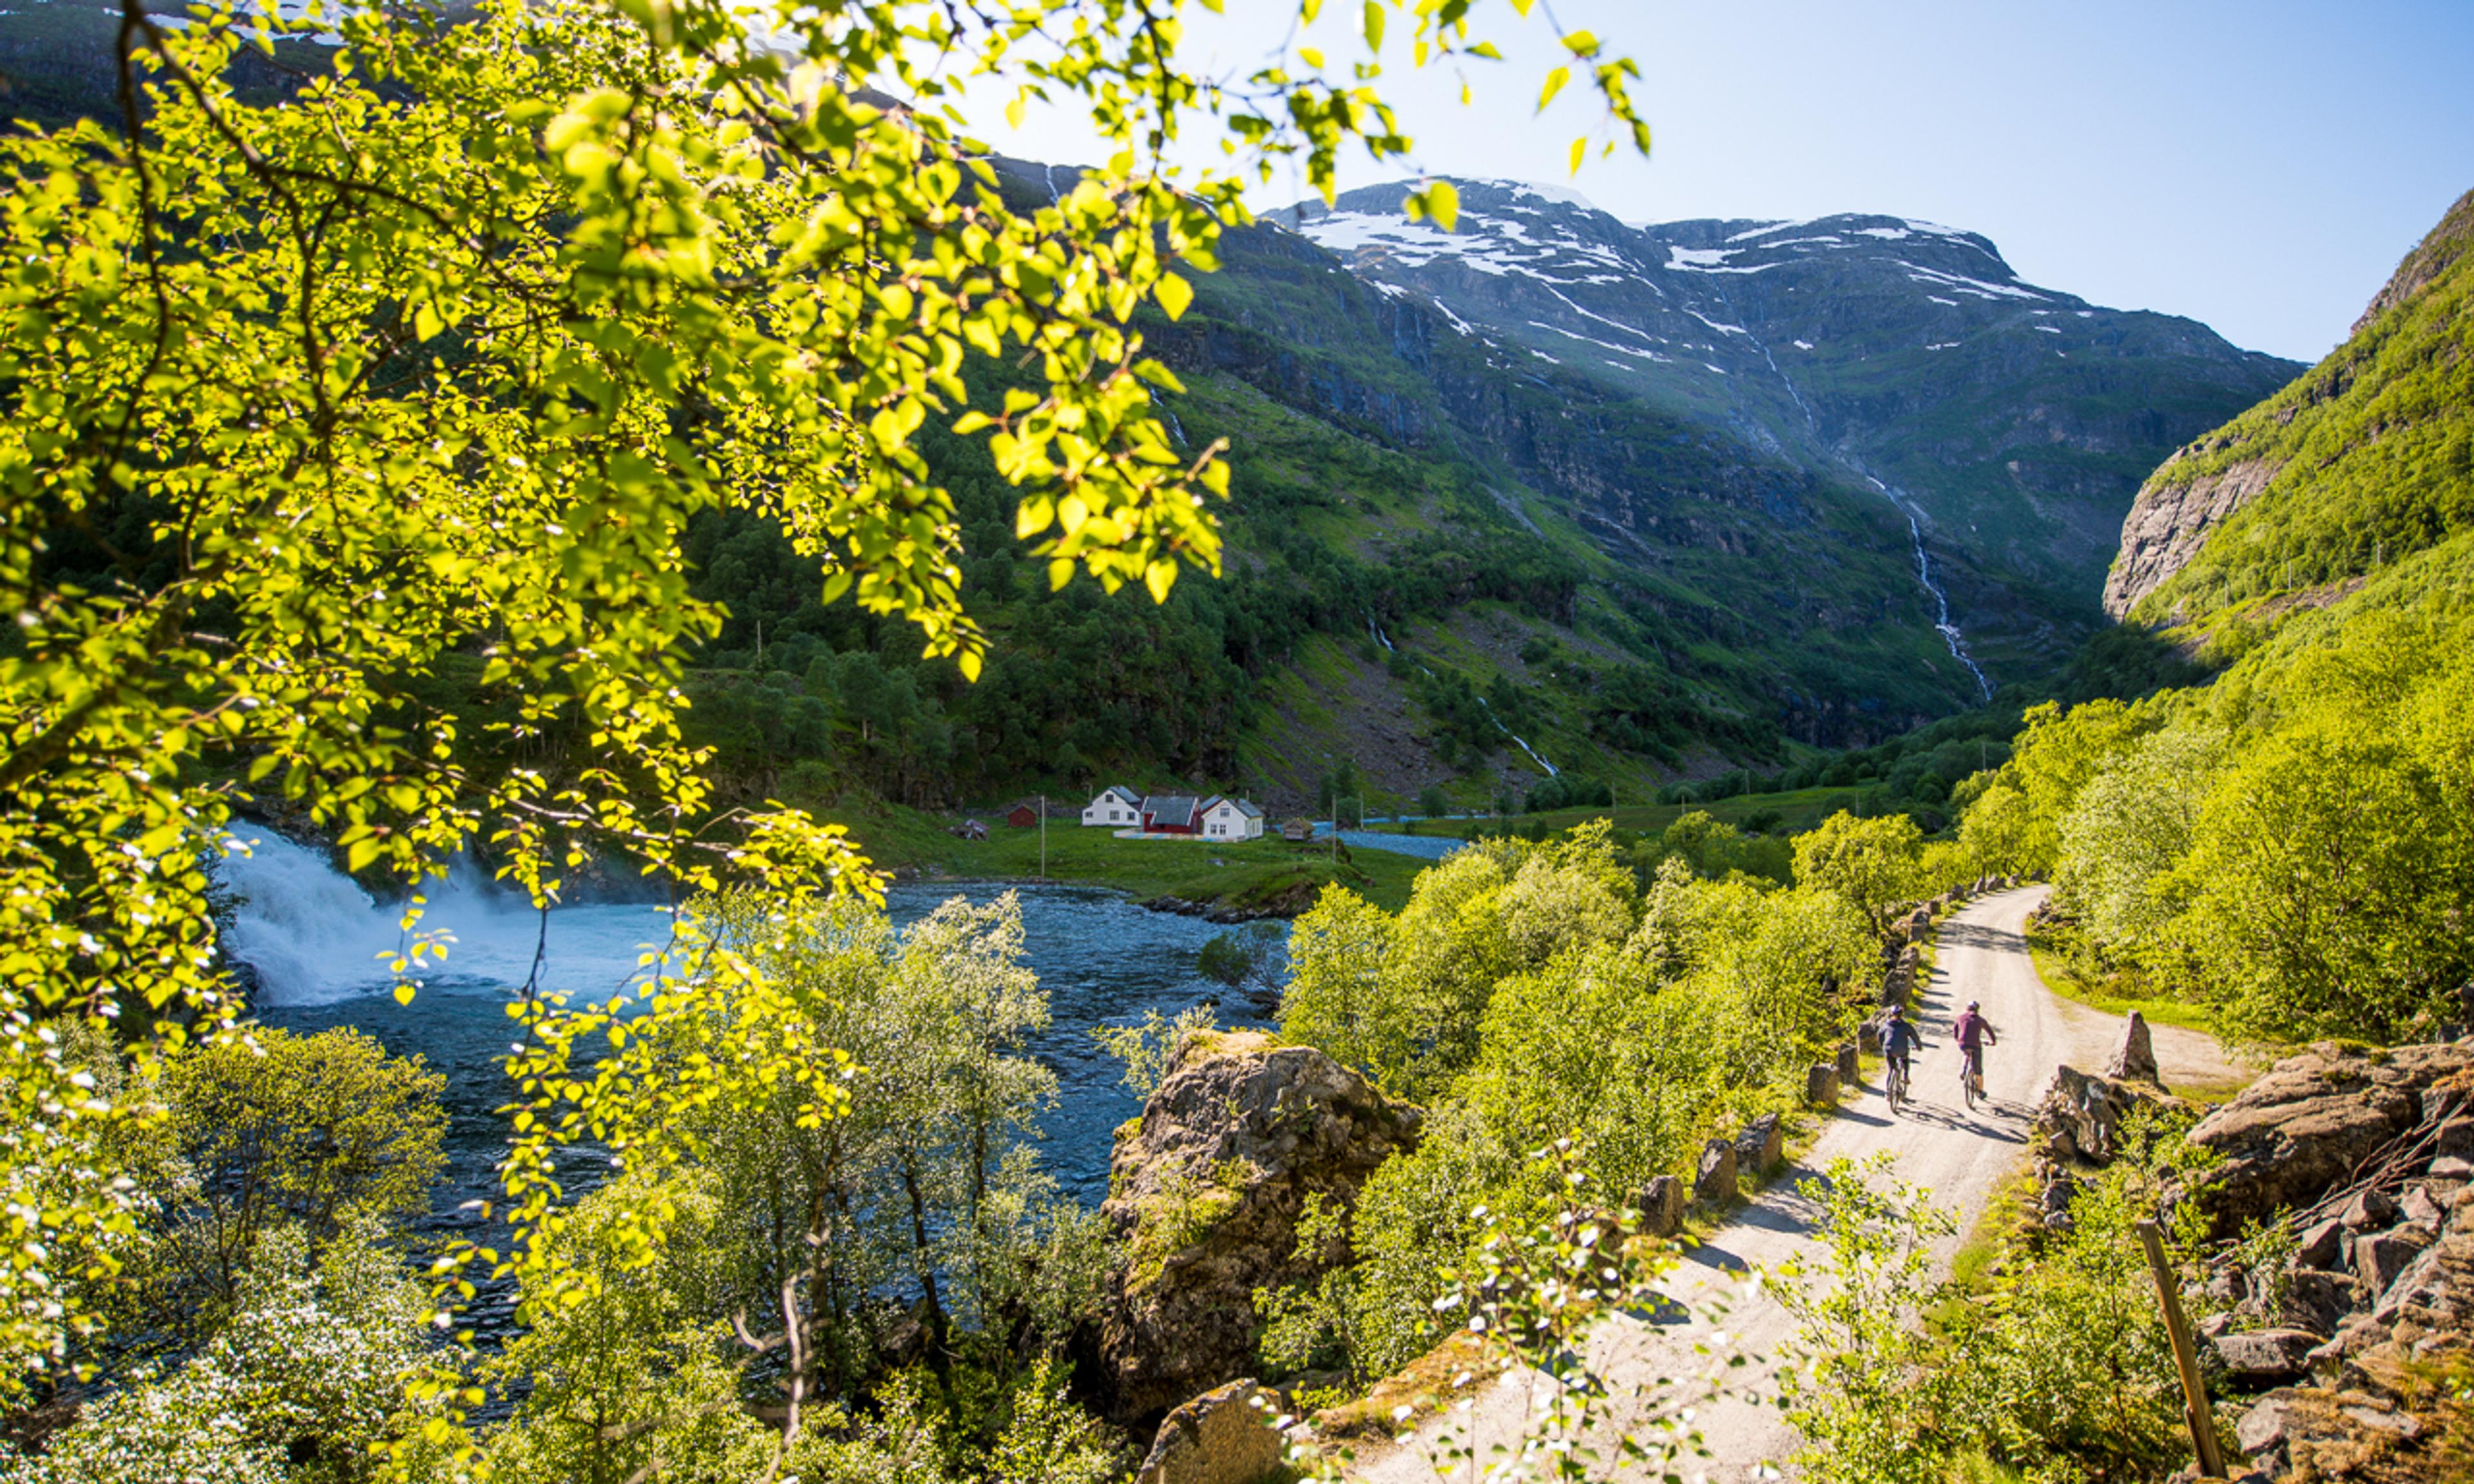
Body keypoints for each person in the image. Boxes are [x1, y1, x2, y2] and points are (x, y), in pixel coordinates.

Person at [1951, 999, 1998, 1096]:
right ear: (1977, 1010)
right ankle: (1980, 1091)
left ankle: (1963, 1070)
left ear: (1967, 1009)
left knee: (1966, 1053)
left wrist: (1957, 1039)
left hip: (1963, 1044)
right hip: (1976, 1045)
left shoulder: (1960, 1018)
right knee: (1978, 1071)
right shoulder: (1981, 1020)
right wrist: (1993, 1042)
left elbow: (1955, 1031)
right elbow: (1990, 1032)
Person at [1881, 1007, 1925, 1101]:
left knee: (1891, 1069)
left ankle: (1889, 1093)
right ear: (1902, 1015)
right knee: (1905, 1059)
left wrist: (1883, 1045)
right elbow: (1915, 1037)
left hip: (1889, 1049)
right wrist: (1919, 1047)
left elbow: (1879, 1034)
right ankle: (1905, 1076)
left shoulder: (1886, 1025)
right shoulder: (1906, 1026)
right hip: (1902, 1050)